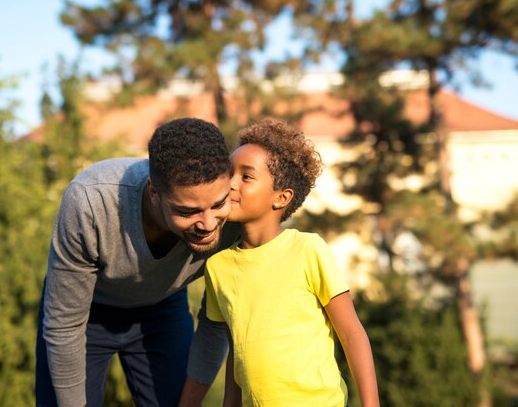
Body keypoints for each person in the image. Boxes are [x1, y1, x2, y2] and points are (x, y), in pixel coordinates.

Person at [35, 118, 240, 407]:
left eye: (218, 204)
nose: (208, 224)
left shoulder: (237, 217)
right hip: (85, 312)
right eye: (188, 211)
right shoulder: (90, 202)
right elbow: (64, 326)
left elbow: (216, 321)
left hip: (162, 307)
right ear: (155, 192)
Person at [205, 118, 380, 407]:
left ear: (281, 197)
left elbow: (352, 334)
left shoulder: (308, 249)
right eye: (229, 173)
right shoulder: (217, 267)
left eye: (246, 177)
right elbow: (236, 352)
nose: (231, 183)